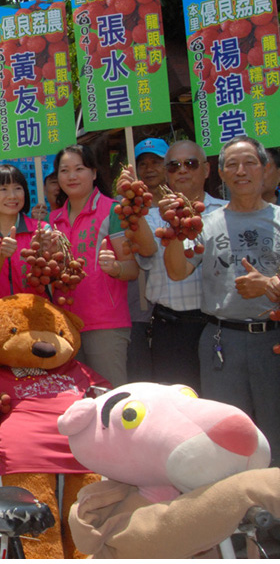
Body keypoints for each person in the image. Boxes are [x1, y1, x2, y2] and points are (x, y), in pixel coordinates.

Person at [163, 135, 280, 464]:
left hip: (272, 341)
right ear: (222, 174)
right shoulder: (206, 224)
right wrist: (173, 232)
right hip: (221, 341)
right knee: (228, 435)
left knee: (275, 430)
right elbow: (177, 270)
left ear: (265, 169)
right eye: (232, 165)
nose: (241, 171)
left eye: (250, 163)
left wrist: (269, 283)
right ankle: (238, 507)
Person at [125, 140, 227, 390]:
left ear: (206, 170)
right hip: (168, 328)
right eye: (174, 166)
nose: (182, 170)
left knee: (220, 402)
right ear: (167, 174)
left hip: (215, 326)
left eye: (190, 164)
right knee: (179, 408)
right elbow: (146, 254)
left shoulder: (224, 213)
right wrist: (131, 207)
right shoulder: (149, 216)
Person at [49, 144, 139, 387]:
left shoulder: (113, 211)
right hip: (65, 326)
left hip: (105, 325)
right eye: (64, 170)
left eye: (79, 168)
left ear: (94, 173)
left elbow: (133, 268)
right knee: (75, 402)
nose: (72, 176)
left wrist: (116, 268)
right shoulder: (51, 220)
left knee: (111, 398)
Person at [125, 137, 168, 383]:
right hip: (138, 315)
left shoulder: (183, 209)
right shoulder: (127, 212)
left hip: (174, 317)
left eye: (156, 162)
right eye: (143, 164)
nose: (149, 168)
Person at [0, 164, 46, 302]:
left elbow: (51, 280)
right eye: (3, 189)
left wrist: (45, 251)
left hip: (35, 317)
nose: (12, 196)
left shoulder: (41, 231)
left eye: (18, 188)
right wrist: (1, 256)